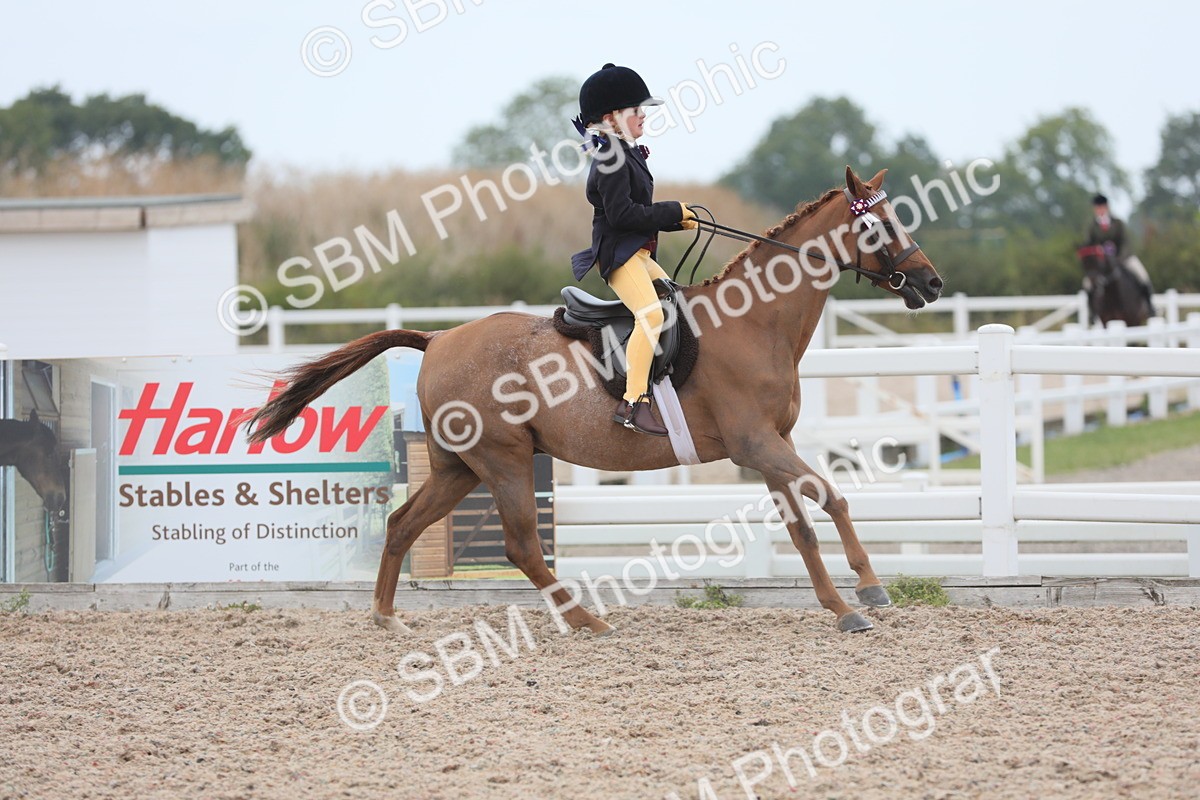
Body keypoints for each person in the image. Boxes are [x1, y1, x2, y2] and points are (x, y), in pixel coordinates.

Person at [569, 63, 698, 437]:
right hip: (620, 257)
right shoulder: (610, 156)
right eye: (636, 110)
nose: (644, 116)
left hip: (638, 253)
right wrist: (672, 210)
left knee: (678, 300)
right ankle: (634, 402)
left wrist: (679, 220)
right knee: (653, 315)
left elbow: (638, 212)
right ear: (611, 117)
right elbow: (623, 215)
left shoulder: (624, 151)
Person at [1085, 194, 1152, 301]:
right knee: (1087, 284)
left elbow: (1125, 242)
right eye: (1097, 208)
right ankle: (1092, 313)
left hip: (1122, 257)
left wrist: (1120, 258)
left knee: (1142, 275)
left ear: (1106, 207)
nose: (1099, 210)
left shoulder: (1117, 223)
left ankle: (1150, 306)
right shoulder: (1092, 227)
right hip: (1102, 262)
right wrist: (1096, 253)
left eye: (1101, 207)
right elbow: (1089, 244)